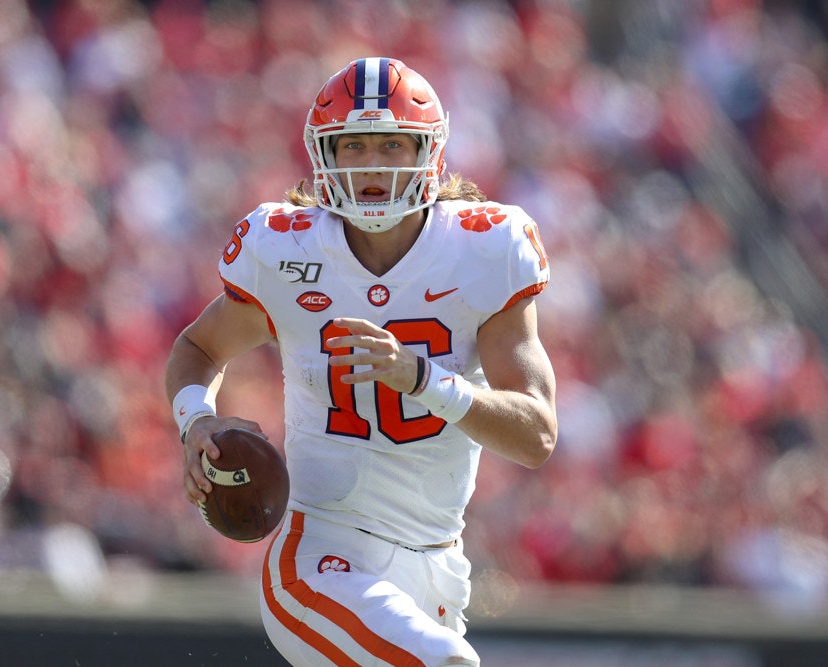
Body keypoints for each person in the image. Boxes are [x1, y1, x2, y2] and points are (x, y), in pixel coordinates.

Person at [165, 57, 557, 667]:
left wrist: (426, 380)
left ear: (428, 153)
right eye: (354, 145)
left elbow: (536, 434)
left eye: (392, 144)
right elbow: (198, 347)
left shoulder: (485, 249)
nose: (372, 163)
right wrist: (196, 421)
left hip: (438, 566)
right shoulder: (286, 250)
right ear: (325, 156)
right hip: (320, 555)